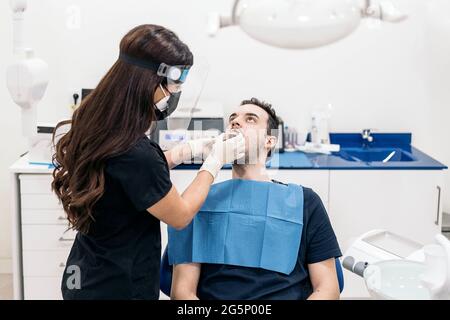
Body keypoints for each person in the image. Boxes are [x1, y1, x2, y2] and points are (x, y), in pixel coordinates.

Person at [52, 24, 245, 300]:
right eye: (174, 85)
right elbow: (180, 215)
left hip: (84, 275)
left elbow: (126, 178)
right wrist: (214, 163)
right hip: (118, 287)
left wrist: (184, 151)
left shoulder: (102, 127)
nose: (175, 94)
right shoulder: (135, 151)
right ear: (149, 82)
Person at [169, 98, 342, 300]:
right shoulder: (197, 202)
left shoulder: (304, 202)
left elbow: (327, 289)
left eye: (250, 119)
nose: (236, 122)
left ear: (270, 141)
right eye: (232, 119)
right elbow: (182, 292)